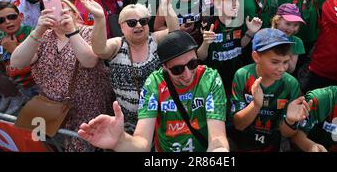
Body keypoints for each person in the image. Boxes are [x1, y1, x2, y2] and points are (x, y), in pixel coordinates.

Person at [78, 30, 230, 152]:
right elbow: (142, 142)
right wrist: (120, 141)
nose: (188, 74)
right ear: (164, 67)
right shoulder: (154, 83)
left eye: (192, 63)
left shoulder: (210, 79)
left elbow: (217, 138)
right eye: (177, 69)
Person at [10, 0, 113, 152]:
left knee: (81, 146)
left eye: (64, 10)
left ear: (76, 14)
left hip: (87, 106)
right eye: (52, 11)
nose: (58, 14)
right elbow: (17, 62)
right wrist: (38, 29)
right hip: (53, 107)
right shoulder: (43, 36)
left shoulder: (88, 32)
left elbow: (89, 61)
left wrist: (71, 31)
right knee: (42, 142)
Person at [79, 0, 179, 134]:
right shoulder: (118, 44)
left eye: (143, 21)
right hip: (129, 122)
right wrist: (99, 19)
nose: (138, 26)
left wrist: (167, 3)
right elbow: (99, 49)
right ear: (122, 26)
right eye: (132, 23)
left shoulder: (155, 40)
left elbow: (175, 32)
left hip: (161, 115)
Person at [230, 28, 300, 152]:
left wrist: (291, 121)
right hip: (241, 143)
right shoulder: (242, 76)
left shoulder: (291, 84)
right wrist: (256, 105)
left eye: (286, 62)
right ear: (256, 57)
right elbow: (238, 125)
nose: (282, 68)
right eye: (275, 62)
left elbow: (287, 133)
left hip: (271, 145)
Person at [197, 0, 263, 97]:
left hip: (235, 76)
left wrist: (251, 32)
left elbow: (239, 46)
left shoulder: (241, 21)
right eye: (229, 1)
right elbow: (200, 57)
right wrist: (206, 43)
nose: (235, 4)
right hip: (215, 80)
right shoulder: (207, 22)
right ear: (217, 5)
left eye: (236, 0)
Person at [0, 2, 39, 114]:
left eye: (12, 17)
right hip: (21, 85)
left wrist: (14, 49)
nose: (8, 21)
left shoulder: (33, 34)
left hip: (40, 83)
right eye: (0, 20)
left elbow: (42, 62)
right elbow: (2, 63)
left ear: (21, 17)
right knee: (35, 107)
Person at [271, 4, 306, 74]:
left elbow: (291, 69)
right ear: (277, 20)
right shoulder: (265, 36)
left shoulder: (297, 42)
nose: (291, 28)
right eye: (288, 24)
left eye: (296, 25)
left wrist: (283, 47)